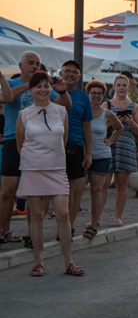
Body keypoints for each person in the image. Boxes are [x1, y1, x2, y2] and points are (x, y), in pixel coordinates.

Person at [14, 71, 84, 277]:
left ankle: (69, 262)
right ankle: (38, 261)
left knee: (63, 214)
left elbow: (63, 140)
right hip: (33, 169)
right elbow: (20, 144)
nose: (43, 90)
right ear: (31, 90)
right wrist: (35, 160)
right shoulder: (24, 115)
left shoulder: (61, 111)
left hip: (57, 168)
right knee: (36, 216)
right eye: (38, 86)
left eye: (46, 86)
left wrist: (52, 158)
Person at [0, 52, 71, 245]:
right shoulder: (12, 83)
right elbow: (6, 98)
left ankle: (31, 235)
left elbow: (65, 105)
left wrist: (62, 91)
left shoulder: (43, 86)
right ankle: (3, 230)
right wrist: (30, 84)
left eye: (38, 64)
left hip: (40, 144)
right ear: (20, 66)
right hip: (13, 140)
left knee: (36, 192)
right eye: (30, 63)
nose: (34, 66)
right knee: (7, 191)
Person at [83, 80, 123, 238]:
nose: (96, 96)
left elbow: (119, 128)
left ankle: (94, 223)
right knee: (77, 190)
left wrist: (110, 141)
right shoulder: (83, 111)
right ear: (88, 94)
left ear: (103, 96)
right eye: (93, 93)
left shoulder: (107, 114)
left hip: (101, 155)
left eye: (99, 94)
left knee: (96, 190)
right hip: (83, 156)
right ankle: (69, 224)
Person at [103, 74, 138, 226]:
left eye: (124, 85)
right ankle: (96, 217)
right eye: (118, 85)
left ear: (128, 87)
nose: (121, 88)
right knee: (103, 184)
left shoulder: (134, 106)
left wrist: (131, 123)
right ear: (114, 87)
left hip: (126, 145)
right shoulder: (107, 105)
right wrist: (113, 122)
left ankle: (118, 217)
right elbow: (99, 126)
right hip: (109, 145)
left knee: (122, 184)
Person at [59, 60, 93, 233]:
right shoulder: (50, 93)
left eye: (75, 72)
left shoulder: (83, 97)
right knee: (55, 191)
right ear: (61, 73)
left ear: (79, 77)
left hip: (75, 147)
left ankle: (68, 227)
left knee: (74, 190)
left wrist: (88, 153)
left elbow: (87, 126)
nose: (71, 74)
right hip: (53, 147)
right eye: (68, 71)